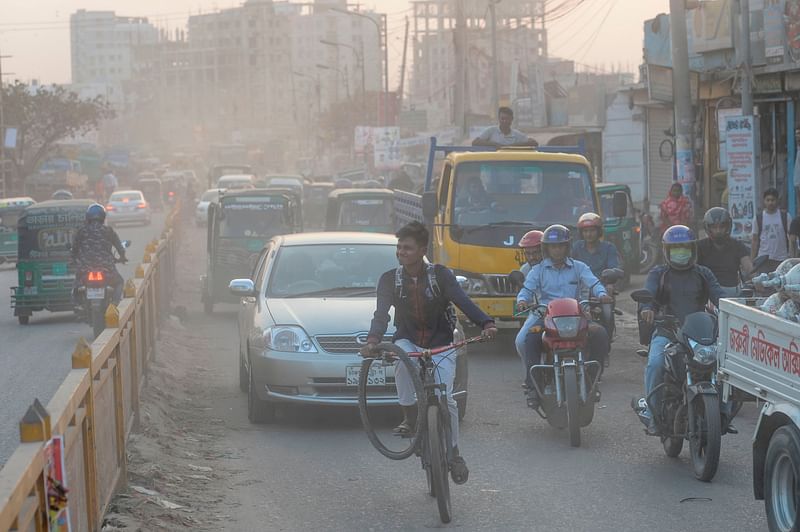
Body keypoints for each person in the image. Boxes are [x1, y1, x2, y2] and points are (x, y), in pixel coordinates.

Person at [361, 221, 497, 485]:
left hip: (441, 343)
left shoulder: (441, 275)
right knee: (400, 360)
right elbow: (380, 315)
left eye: (408, 248)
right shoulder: (389, 279)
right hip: (408, 341)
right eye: (399, 248)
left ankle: (454, 452)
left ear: (422, 249)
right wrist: (373, 340)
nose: (402, 252)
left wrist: (487, 323)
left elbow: (462, 301)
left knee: (448, 400)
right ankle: (410, 417)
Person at [638, 225, 724, 435]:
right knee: (655, 364)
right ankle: (652, 412)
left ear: (693, 249)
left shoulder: (703, 273)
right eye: (676, 248)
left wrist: (734, 307)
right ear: (666, 251)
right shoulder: (659, 273)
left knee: (724, 365)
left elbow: (720, 296)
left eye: (685, 247)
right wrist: (647, 308)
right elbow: (647, 294)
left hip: (699, 336)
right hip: (667, 332)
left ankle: (723, 409)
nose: (681, 252)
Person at [515, 224, 613, 408]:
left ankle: (593, 378)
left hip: (576, 316)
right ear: (547, 248)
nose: (557, 250)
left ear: (567, 247)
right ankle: (533, 386)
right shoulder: (538, 271)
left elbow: (594, 283)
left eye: (560, 246)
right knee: (529, 339)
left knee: (600, 334)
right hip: (545, 316)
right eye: (553, 246)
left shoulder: (579, 267)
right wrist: (522, 300)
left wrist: (602, 294)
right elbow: (527, 290)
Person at [72, 204, 127, 304]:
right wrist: (122, 257)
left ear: (88, 217)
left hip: (85, 269)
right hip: (106, 268)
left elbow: (74, 249)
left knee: (76, 285)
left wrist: (73, 260)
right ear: (103, 217)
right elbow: (119, 247)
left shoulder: (81, 231)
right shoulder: (108, 231)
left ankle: (77, 305)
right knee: (119, 282)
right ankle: (115, 304)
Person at [697, 207, 753, 296]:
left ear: (728, 226)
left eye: (722, 227)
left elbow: (748, 267)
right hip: (706, 293)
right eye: (714, 227)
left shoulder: (737, 245)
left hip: (732, 294)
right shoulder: (700, 246)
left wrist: (757, 280)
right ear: (707, 228)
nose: (718, 231)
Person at [513, 230, 544, 371]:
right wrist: (523, 302)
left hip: (561, 312)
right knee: (521, 341)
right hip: (538, 312)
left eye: (536, 253)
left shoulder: (555, 266)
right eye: (528, 254)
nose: (532, 257)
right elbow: (524, 293)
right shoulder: (525, 270)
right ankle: (532, 373)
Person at [751, 187, 795, 271]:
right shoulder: (758, 218)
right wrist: (752, 261)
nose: (770, 203)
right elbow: (754, 240)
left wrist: (792, 258)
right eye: (768, 200)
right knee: (762, 283)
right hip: (763, 260)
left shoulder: (785, 216)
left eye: (773, 200)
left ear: (777, 200)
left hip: (782, 259)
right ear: (764, 201)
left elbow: (791, 239)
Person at [571, 212, 621, 281]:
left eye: (592, 230)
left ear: (599, 231)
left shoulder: (609, 248)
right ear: (581, 233)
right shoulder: (577, 247)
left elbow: (613, 268)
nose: (588, 234)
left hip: (602, 287)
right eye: (585, 231)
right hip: (580, 287)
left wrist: (610, 284)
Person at [472, 107, 538, 148]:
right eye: (502, 118)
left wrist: (511, 146)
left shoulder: (517, 134)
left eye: (507, 118)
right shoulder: (491, 131)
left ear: (512, 119)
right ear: (499, 119)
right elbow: (475, 142)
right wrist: (495, 145)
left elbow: (534, 143)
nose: (504, 121)